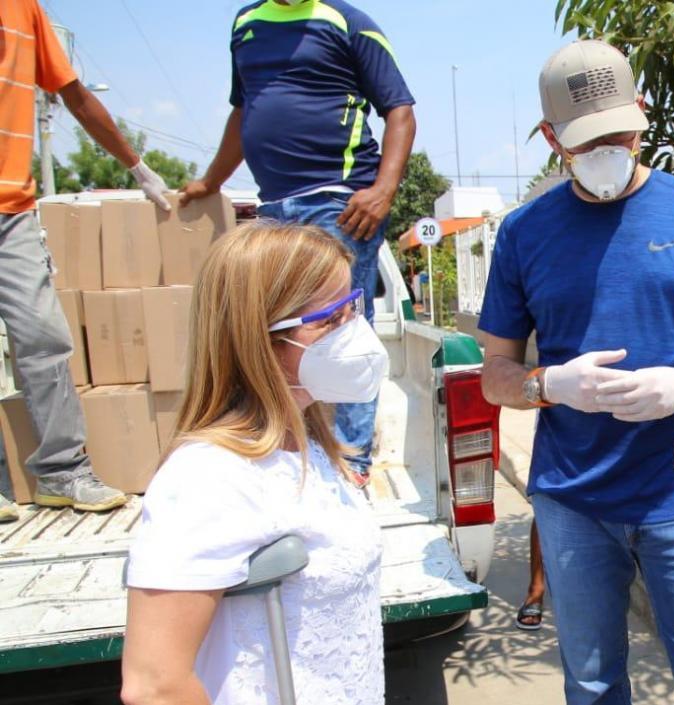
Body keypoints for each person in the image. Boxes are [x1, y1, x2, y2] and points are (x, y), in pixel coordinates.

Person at [478, 40, 674, 705]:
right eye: (585, 140)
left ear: (641, 114)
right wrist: (547, 384)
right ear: (550, 137)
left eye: (619, 132)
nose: (606, 150)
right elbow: (493, 372)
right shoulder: (524, 233)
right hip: (573, 501)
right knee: (591, 684)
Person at [121, 222, 388, 705]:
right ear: (258, 337)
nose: (354, 330)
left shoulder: (305, 442)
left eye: (354, 307)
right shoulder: (210, 475)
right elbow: (155, 686)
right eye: (330, 318)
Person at [182, 0, 416, 478]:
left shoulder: (347, 22)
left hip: (339, 201)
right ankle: (290, 450)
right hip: (273, 207)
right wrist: (210, 183)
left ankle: (351, 463)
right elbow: (243, 113)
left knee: (343, 334)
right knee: (275, 338)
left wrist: (383, 191)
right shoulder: (246, 23)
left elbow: (400, 110)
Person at [0, 0, 171, 522]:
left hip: (11, 209)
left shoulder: (22, 8)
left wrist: (136, 165)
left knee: (43, 337)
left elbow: (72, 94)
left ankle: (61, 471)